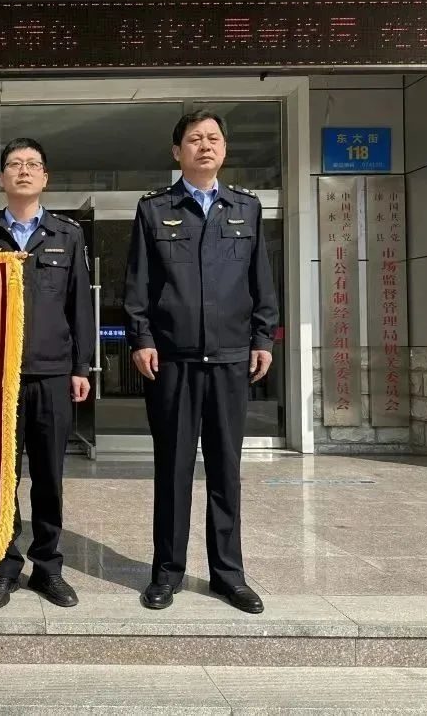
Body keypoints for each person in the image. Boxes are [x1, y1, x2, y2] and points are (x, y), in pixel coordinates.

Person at [122, 110, 278, 615]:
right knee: (173, 470)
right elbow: (139, 283)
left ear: (224, 149)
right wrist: (141, 338)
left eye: (213, 138)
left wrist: (263, 338)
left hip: (231, 359)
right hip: (173, 360)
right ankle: (166, 573)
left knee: (226, 471)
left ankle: (228, 575)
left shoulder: (246, 208)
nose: (205, 146)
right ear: (177, 152)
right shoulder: (154, 209)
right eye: (194, 139)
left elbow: (261, 281)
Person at [0, 138, 94, 609]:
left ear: (45, 177)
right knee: (2, 477)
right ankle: (4, 566)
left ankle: (48, 568)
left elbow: (80, 305)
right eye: (14, 165)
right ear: (1, 178)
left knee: (49, 476)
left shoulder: (66, 234)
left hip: (52, 374)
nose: (23, 171)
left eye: (32, 164)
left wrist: (81, 366)